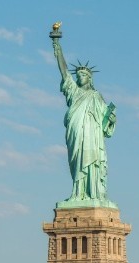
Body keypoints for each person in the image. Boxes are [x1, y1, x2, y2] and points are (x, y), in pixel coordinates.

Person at [51, 25, 116, 202]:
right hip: (76, 130)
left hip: (92, 134)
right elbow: (64, 72)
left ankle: (93, 194)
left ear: (90, 78)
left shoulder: (96, 96)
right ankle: (78, 192)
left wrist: (111, 119)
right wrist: (57, 45)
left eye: (84, 75)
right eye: (78, 75)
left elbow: (106, 123)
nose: (80, 77)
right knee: (77, 158)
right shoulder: (73, 91)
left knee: (92, 160)